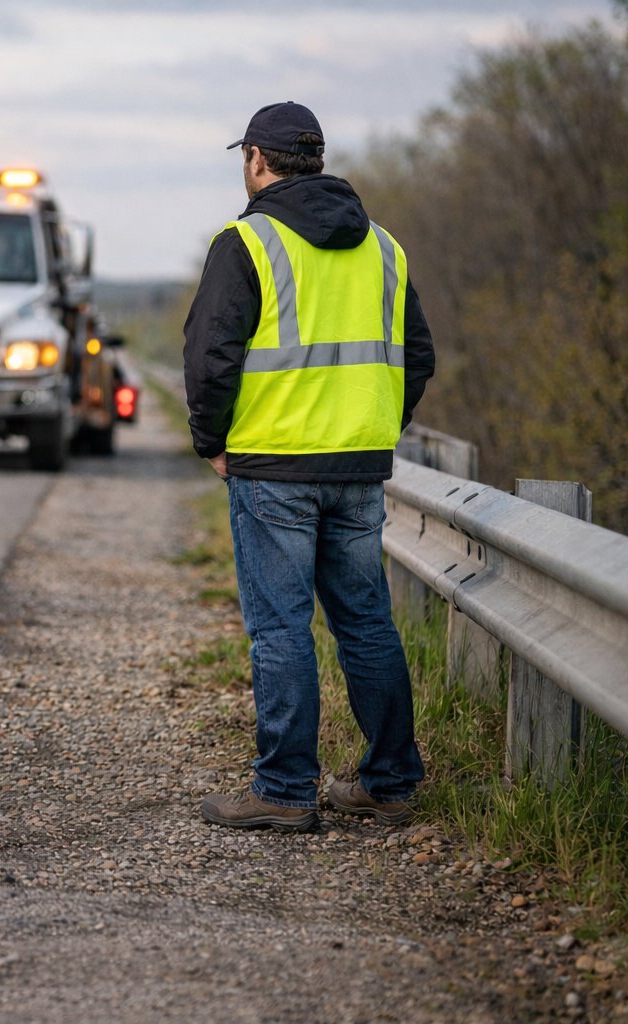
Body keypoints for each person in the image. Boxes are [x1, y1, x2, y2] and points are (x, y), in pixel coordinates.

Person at [182, 101, 436, 832]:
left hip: (273, 467)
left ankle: (285, 792)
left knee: (281, 627)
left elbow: (210, 356)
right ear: (316, 159)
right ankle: (390, 785)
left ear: (257, 161)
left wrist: (212, 441)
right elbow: (417, 357)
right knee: (365, 623)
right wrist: (376, 425)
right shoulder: (383, 246)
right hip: (357, 465)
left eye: (246, 159)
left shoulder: (246, 241)